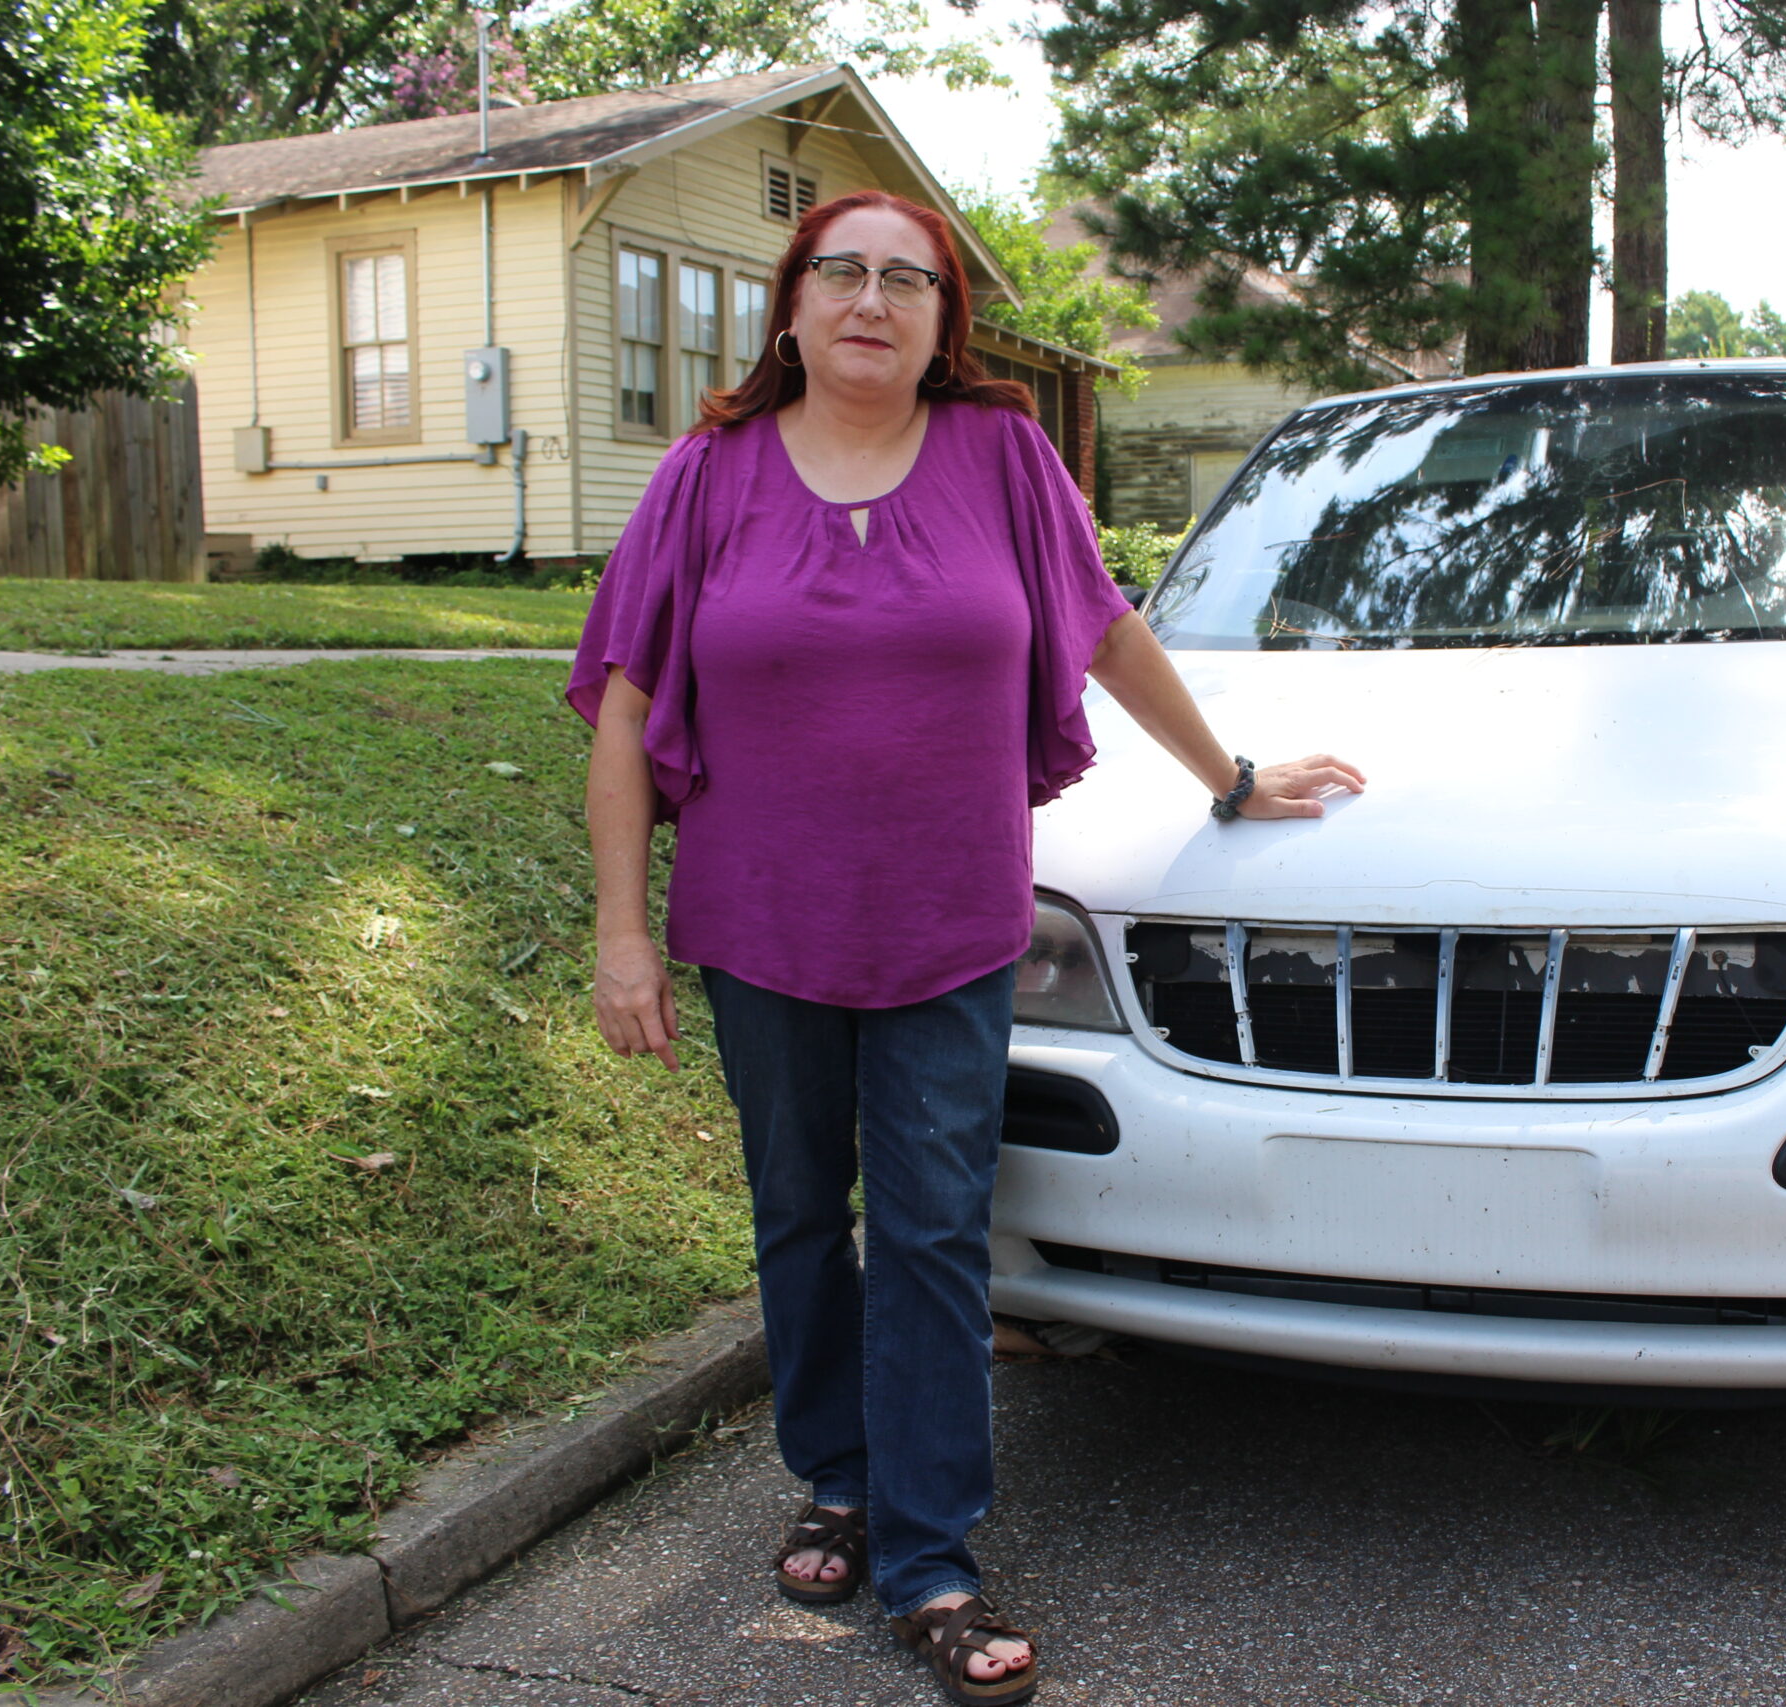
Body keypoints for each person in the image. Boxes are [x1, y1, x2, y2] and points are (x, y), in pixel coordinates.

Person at [569, 188, 1363, 1707]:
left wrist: (1230, 776)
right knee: (799, 1214)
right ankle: (841, 1481)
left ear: (945, 321)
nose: (872, 299)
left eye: (908, 280)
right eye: (842, 273)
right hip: (763, 925)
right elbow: (624, 704)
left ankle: (929, 1555)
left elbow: (1106, 628)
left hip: (947, 925)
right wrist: (622, 934)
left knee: (933, 1232)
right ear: (792, 305)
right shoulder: (704, 475)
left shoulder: (1002, 458)